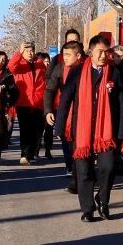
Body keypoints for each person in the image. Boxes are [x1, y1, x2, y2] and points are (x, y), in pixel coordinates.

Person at [56, 36, 123, 221]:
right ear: (90, 52)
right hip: (81, 130)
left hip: (107, 131)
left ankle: (103, 200)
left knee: (109, 166)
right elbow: (65, 100)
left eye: (107, 51)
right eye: (100, 51)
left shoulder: (115, 73)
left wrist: (122, 132)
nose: (104, 55)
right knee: (84, 171)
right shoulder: (77, 71)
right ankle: (87, 209)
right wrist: (59, 126)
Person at [45, 40, 84, 194]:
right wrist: (48, 110)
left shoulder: (88, 68)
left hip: (85, 113)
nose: (65, 58)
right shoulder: (60, 69)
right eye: (64, 54)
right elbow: (50, 90)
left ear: (79, 55)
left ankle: (82, 177)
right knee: (71, 147)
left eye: (68, 55)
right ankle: (76, 178)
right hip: (67, 114)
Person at [8, 41, 47, 165]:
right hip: (23, 102)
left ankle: (32, 152)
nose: (30, 53)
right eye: (27, 51)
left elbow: (46, 79)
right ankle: (24, 155)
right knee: (25, 129)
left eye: (31, 50)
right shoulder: (19, 65)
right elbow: (11, 66)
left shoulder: (40, 64)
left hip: (38, 101)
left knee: (37, 130)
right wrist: (19, 53)